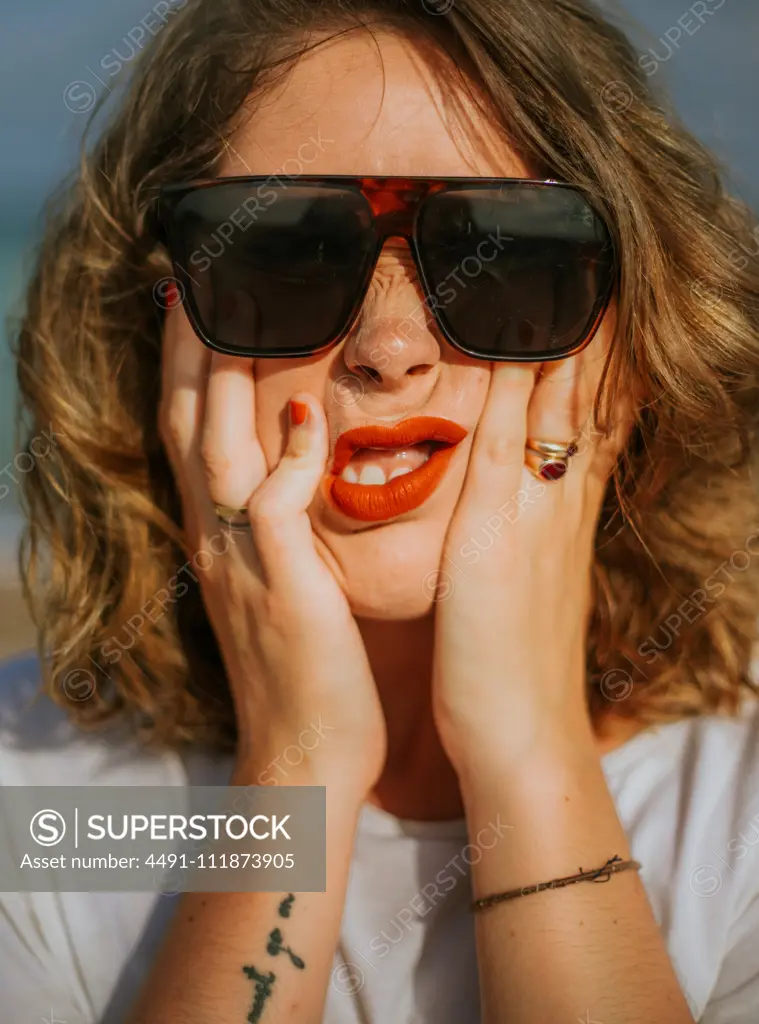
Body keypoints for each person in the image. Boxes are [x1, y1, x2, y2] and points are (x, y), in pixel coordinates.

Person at [3, 0, 759, 1021]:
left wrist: (528, 752)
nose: (389, 346)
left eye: (504, 248)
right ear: (161, 319)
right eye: (288, 248)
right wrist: (296, 766)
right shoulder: (31, 799)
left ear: (636, 332)